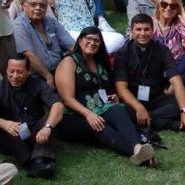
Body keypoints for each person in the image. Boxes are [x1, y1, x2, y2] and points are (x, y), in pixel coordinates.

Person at [54, 28, 156, 165]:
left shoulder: (99, 62)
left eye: (96, 40)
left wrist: (113, 97)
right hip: (74, 116)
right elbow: (67, 99)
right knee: (99, 125)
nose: (92, 43)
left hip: (101, 109)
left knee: (118, 110)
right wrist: (89, 114)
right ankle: (140, 153)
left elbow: (104, 89)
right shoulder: (69, 62)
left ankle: (138, 147)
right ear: (80, 41)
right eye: (88, 39)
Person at [0, 54, 63, 179]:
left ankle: (39, 160)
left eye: (19, 72)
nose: (15, 76)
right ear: (6, 71)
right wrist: (5, 124)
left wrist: (47, 127)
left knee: (50, 119)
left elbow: (58, 104)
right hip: (11, 135)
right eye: (11, 71)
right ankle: (34, 162)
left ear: (29, 71)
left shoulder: (38, 84)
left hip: (34, 132)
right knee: (8, 129)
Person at [113, 13, 185, 134]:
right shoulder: (123, 53)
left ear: (153, 31)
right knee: (120, 111)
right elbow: (121, 88)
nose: (142, 33)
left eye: (146, 29)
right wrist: (139, 108)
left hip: (156, 98)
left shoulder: (162, 50)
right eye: (138, 29)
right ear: (131, 31)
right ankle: (169, 124)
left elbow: (176, 81)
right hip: (133, 101)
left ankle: (144, 120)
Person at [12, 0, 73, 87]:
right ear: (24, 5)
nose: (38, 8)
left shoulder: (51, 22)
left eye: (42, 5)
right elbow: (29, 55)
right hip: (37, 78)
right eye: (33, 4)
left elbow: (71, 45)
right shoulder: (19, 25)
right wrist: (48, 76)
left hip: (61, 70)